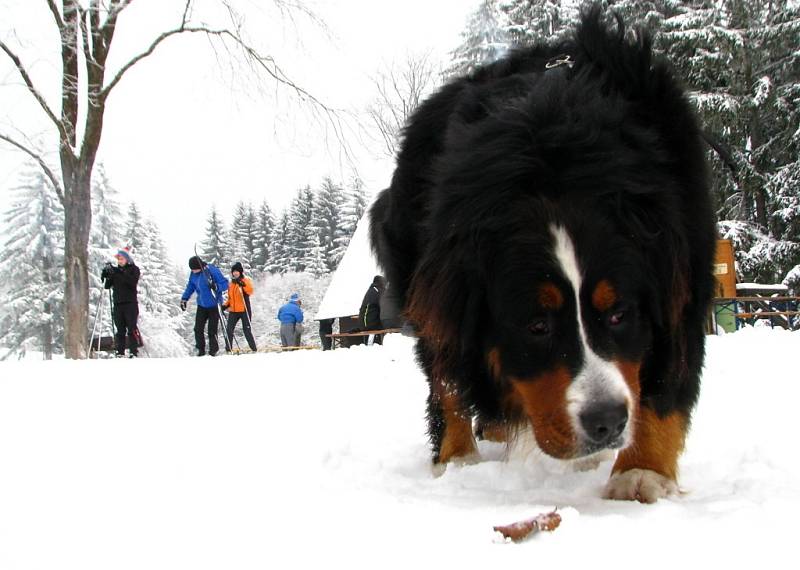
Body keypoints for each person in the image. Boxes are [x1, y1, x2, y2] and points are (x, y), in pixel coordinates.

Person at [180, 255, 229, 356]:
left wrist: (216, 286)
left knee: (212, 330)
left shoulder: (212, 270)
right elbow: (190, 286)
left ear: (200, 266)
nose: (193, 271)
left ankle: (213, 351)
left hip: (214, 305)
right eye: (192, 270)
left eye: (195, 269)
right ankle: (200, 350)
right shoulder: (193, 274)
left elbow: (225, 283)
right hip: (202, 304)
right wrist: (184, 298)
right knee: (198, 329)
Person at [102, 248, 141, 358]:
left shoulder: (134, 269)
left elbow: (132, 282)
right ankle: (120, 352)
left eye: (121, 258)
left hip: (130, 303)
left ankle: (133, 352)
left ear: (127, 259)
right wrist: (107, 274)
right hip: (118, 303)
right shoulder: (116, 272)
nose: (119, 261)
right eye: (118, 259)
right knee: (120, 330)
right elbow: (107, 286)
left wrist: (118, 273)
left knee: (132, 328)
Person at [223, 262, 257, 352]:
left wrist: (242, 284)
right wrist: (225, 306)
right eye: (233, 271)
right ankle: (228, 349)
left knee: (246, 330)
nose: (235, 273)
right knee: (229, 329)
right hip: (233, 311)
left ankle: (254, 348)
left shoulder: (245, 280)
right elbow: (230, 298)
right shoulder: (232, 284)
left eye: (237, 271)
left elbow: (250, 291)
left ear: (240, 272)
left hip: (244, 309)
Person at [359, 275, 386, 345]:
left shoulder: (371, 290)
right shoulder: (378, 291)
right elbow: (385, 305)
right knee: (389, 324)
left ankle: (377, 343)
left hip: (364, 323)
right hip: (370, 324)